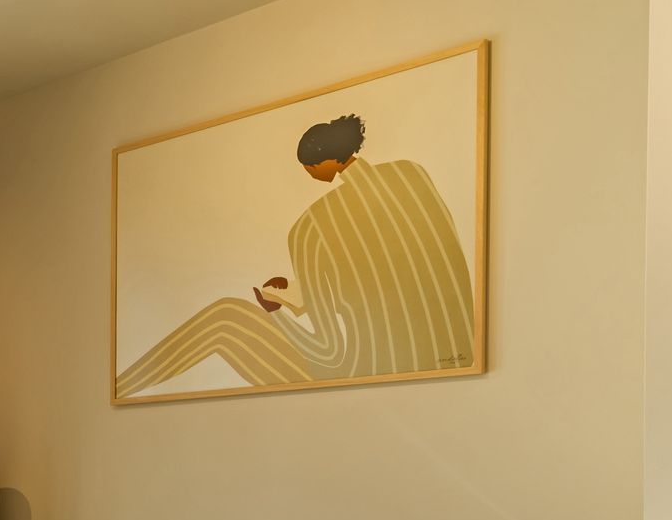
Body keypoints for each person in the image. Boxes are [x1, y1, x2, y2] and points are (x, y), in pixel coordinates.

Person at [115, 113, 475, 399]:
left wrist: (278, 313)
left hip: (374, 368)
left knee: (225, 318)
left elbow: (330, 354)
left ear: (320, 165)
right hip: (463, 353)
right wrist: (303, 295)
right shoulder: (412, 175)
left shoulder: (311, 228)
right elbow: (397, 277)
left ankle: (120, 390)